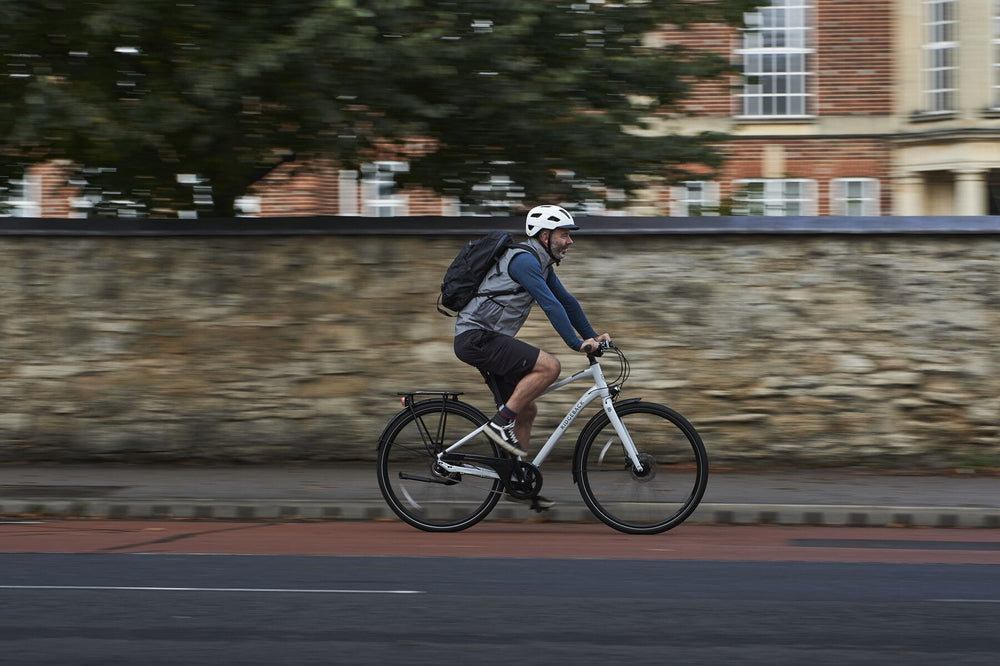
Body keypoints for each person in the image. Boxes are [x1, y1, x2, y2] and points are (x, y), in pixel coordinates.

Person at [453, 205, 612, 508]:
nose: (570, 241)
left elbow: (566, 301)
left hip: (487, 339)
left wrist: (592, 335)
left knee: (525, 410)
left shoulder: (540, 264)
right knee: (550, 366)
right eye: (565, 234)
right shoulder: (524, 261)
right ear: (544, 235)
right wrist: (576, 344)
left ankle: (518, 482)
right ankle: (500, 423)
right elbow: (550, 305)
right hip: (477, 338)